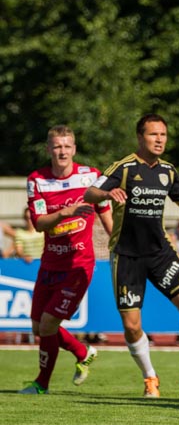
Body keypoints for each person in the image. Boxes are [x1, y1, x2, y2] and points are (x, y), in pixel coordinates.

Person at [85, 114, 179, 398]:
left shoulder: (168, 171)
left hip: (161, 253)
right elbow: (90, 194)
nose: (159, 139)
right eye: (153, 134)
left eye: (163, 134)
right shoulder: (123, 168)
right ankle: (150, 377)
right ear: (140, 137)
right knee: (131, 325)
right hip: (127, 256)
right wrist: (108, 193)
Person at [18, 125, 114, 395]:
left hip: (78, 265)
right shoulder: (36, 180)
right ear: (48, 149)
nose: (62, 151)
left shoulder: (91, 176)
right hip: (49, 264)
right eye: (57, 146)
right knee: (38, 327)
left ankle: (41, 384)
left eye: (67, 146)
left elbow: (105, 210)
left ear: (74, 149)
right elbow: (39, 224)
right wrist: (65, 212)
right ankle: (83, 352)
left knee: (48, 324)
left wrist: (117, 241)